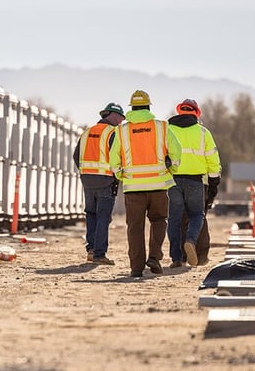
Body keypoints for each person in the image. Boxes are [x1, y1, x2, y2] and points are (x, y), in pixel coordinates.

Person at [109, 90, 181, 278]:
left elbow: (113, 158)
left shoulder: (122, 130)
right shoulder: (162, 127)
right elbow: (176, 151)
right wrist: (171, 170)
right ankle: (155, 257)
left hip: (133, 189)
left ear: (131, 108)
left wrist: (120, 174)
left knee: (135, 227)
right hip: (158, 186)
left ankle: (136, 268)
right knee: (158, 221)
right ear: (149, 107)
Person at [167, 98, 221, 267]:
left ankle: (177, 258)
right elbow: (213, 160)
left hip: (173, 180)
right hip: (196, 181)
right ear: (196, 113)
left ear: (179, 111)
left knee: (174, 219)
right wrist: (214, 182)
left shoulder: (168, 130)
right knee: (197, 215)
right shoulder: (203, 132)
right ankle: (190, 241)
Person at [74, 102, 125, 265]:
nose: (121, 122)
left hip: (87, 180)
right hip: (105, 180)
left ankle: (91, 250)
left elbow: (76, 156)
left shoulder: (87, 131)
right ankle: (99, 254)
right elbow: (118, 157)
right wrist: (118, 176)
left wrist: (85, 171)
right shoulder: (113, 133)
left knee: (91, 214)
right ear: (114, 115)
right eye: (121, 119)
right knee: (103, 217)